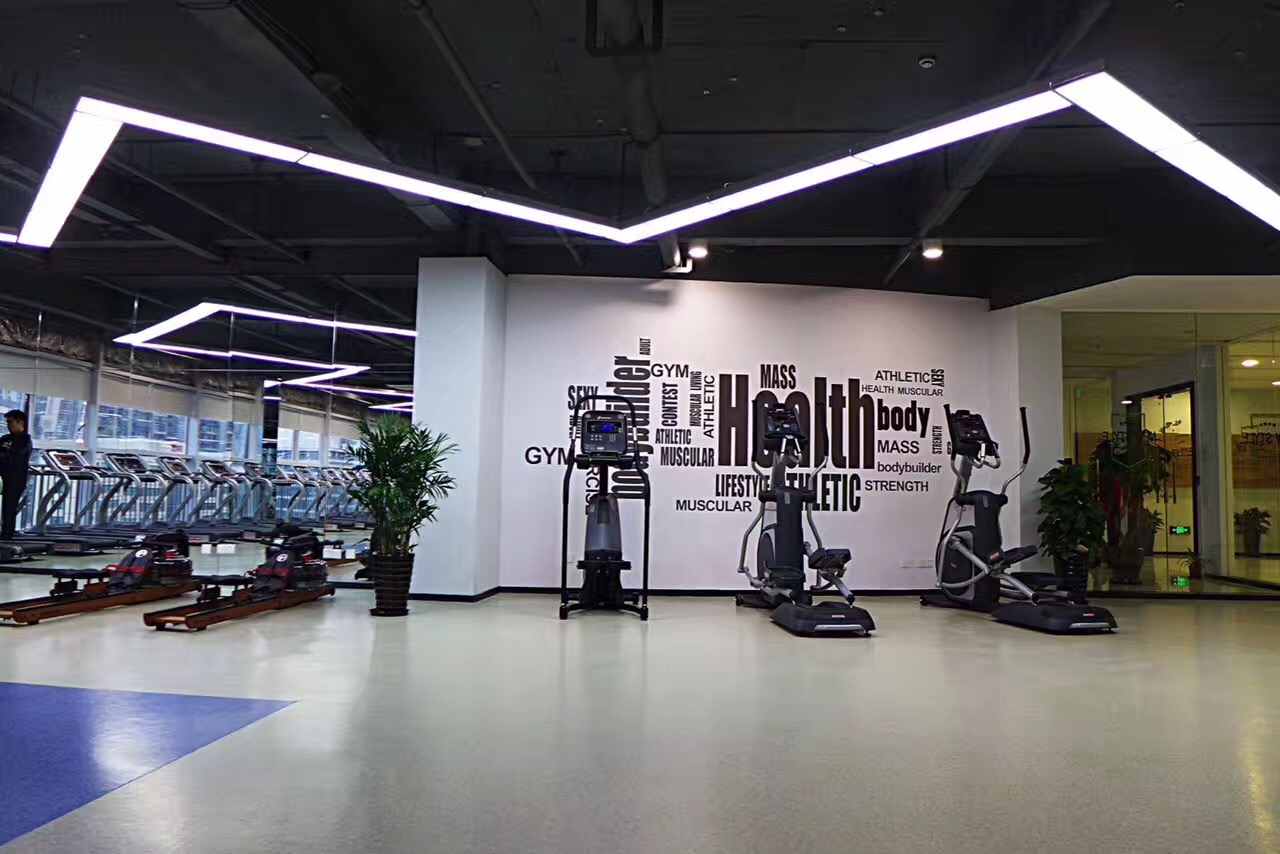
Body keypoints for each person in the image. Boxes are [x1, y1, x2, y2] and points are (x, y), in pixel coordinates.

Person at [0, 410, 33, 541]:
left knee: (9, 507)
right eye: (7, 422)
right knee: (5, 507)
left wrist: (5, 456)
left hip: (16, 478)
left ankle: (7, 535)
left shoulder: (25, 440)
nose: (9, 425)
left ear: (20, 422)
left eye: (11, 422)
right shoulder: (5, 439)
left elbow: (16, 456)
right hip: (3, 477)